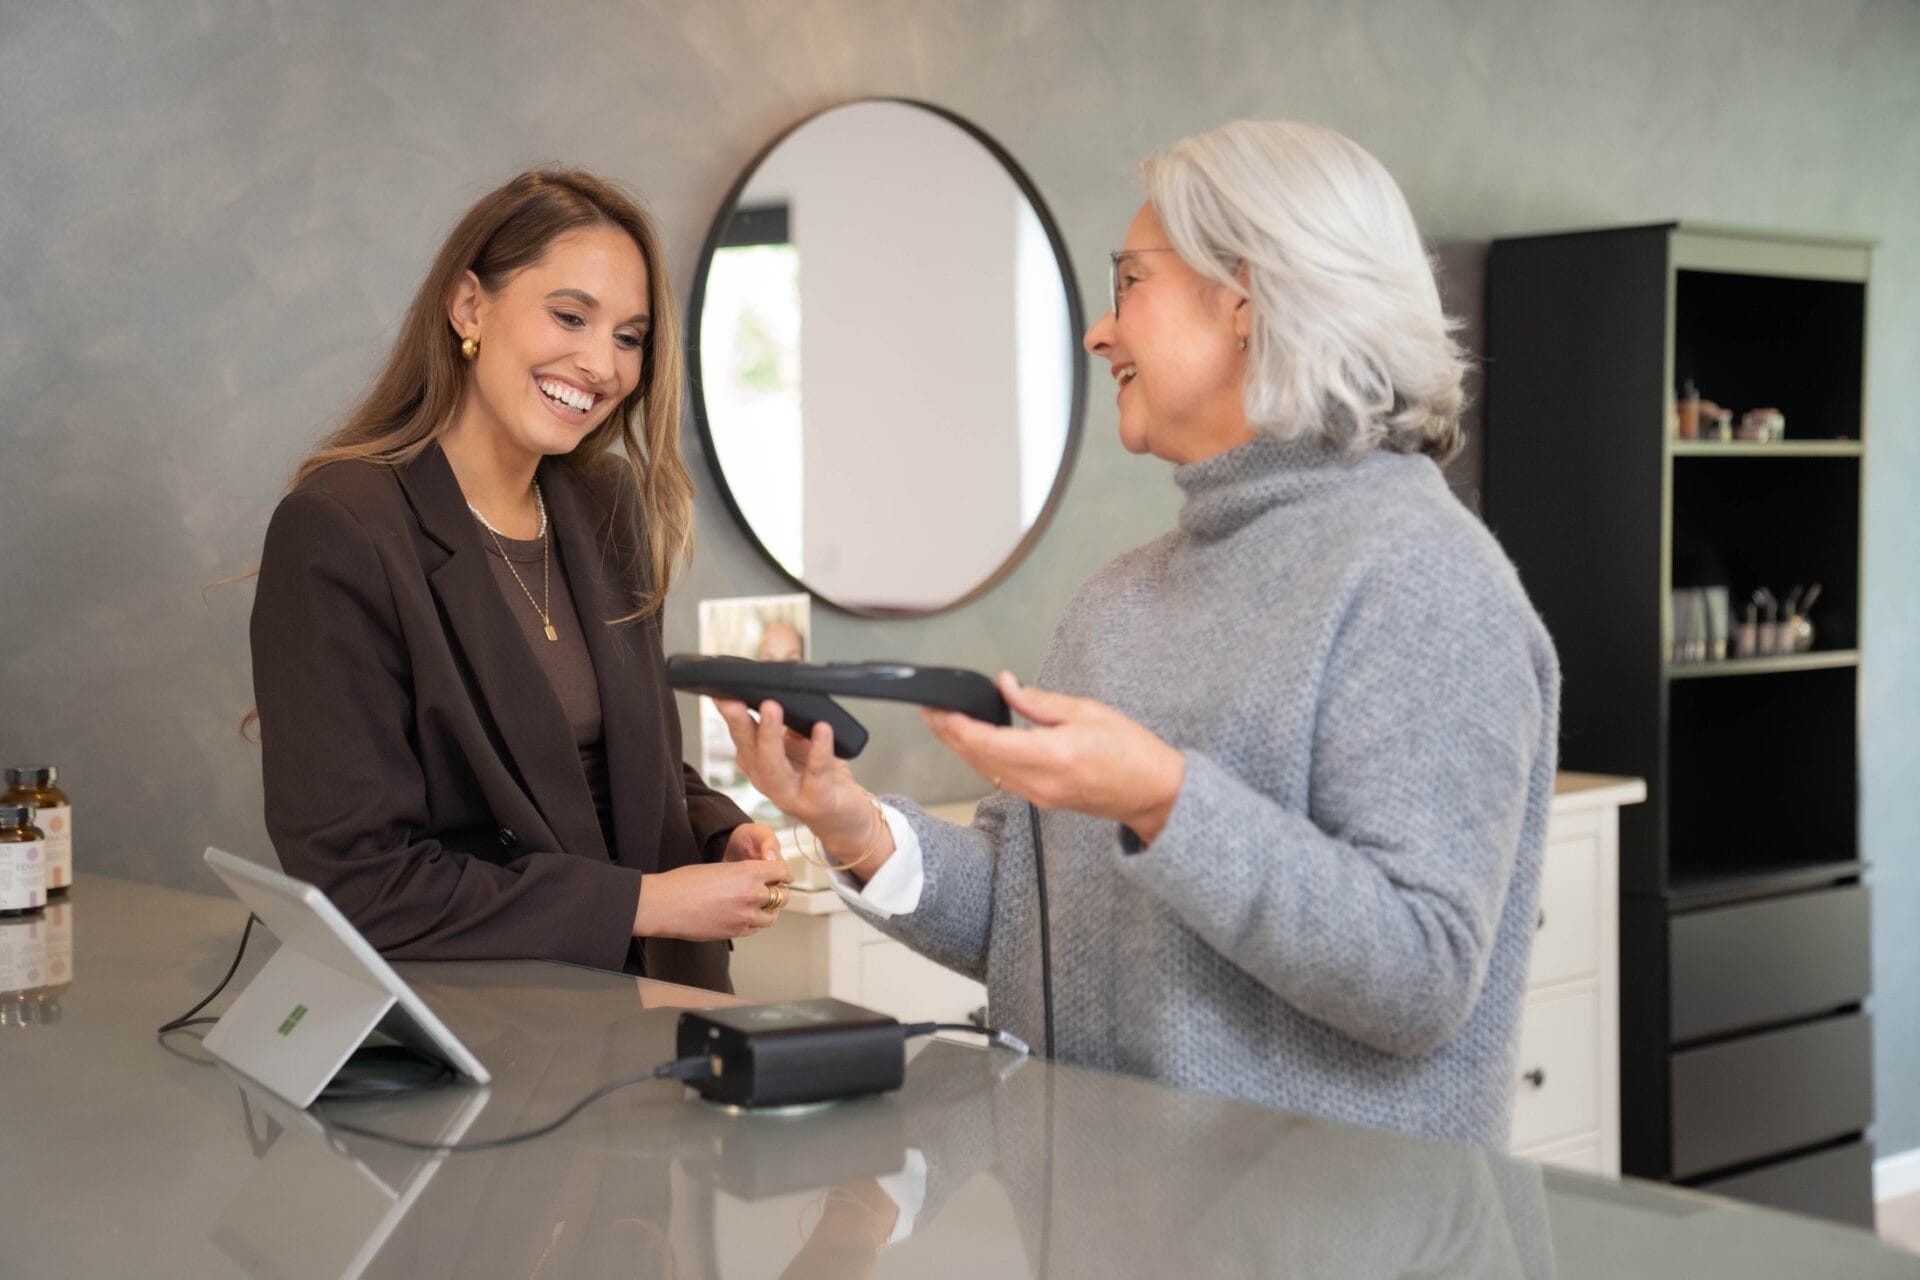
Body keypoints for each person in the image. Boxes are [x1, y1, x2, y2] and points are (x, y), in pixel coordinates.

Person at [720, 120, 1559, 1143]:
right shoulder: (1119, 600)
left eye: (1131, 283)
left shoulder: (1427, 580)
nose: (1097, 331)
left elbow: (1418, 973)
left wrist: (1163, 798)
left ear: (1248, 299)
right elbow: (1030, 923)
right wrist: (854, 827)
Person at [250, 169, 791, 992]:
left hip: (660, 1015)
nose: (600, 363)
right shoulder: (342, 529)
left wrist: (718, 832)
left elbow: (618, 756)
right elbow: (355, 883)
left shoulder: (604, 504)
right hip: (483, 1030)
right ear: (469, 307)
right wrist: (642, 904)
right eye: (570, 316)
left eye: (629, 337)